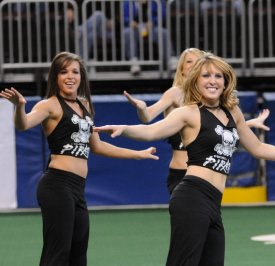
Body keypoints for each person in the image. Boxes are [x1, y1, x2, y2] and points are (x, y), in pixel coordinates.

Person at [94, 52, 275, 265]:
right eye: (205, 75)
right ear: (195, 80)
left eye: (218, 76)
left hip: (214, 202)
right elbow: (151, 131)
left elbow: (257, 148)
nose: (212, 80)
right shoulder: (188, 112)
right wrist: (124, 128)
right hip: (192, 196)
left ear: (226, 81)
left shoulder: (232, 112)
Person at [0, 51, 158, 266]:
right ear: (55, 77)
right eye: (63, 72)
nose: (70, 76)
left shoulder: (85, 106)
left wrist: (137, 154)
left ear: (81, 77)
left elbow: (98, 146)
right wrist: (19, 107)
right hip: (56, 185)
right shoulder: (49, 105)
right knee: (58, 252)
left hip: (77, 188)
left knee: (78, 253)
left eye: (75, 72)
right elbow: (23, 124)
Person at [123, 47, 270, 194]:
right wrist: (142, 109)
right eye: (189, 61)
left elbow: (211, 127)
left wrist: (248, 124)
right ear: (181, 69)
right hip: (182, 173)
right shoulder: (175, 93)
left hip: (205, 174)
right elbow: (148, 118)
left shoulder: (209, 97)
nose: (194, 64)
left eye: (197, 61)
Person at [123, 0, 177, 75]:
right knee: (127, 32)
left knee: (163, 32)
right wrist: (130, 22)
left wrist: (153, 22)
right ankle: (134, 62)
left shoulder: (157, 1)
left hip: (152, 28)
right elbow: (124, 17)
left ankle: (171, 59)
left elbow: (163, 15)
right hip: (135, 29)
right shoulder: (128, 2)